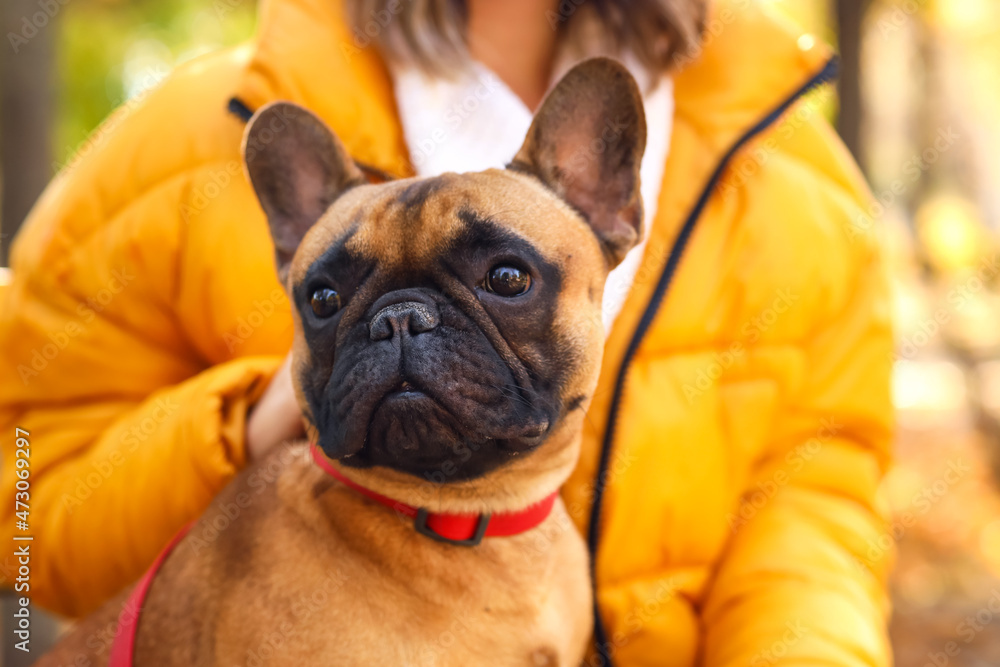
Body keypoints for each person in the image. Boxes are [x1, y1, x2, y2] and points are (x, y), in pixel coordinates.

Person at [0, 0, 894, 664]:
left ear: (611, 205)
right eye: (335, 301)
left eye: (505, 281)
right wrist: (241, 422)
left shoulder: (785, 165)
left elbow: (813, 496)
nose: (404, 332)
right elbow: (23, 492)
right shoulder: (185, 134)